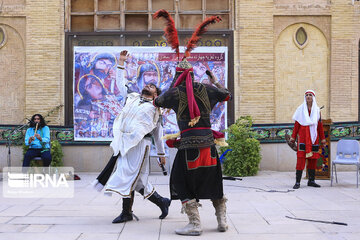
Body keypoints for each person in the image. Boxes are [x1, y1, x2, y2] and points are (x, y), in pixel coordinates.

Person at [92, 50, 171, 224]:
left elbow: (158, 135)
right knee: (137, 181)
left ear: (156, 95)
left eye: (152, 86)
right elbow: (120, 83)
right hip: (124, 142)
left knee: (127, 176)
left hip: (140, 146)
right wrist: (121, 63)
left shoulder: (155, 110)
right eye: (147, 84)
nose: (148, 86)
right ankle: (160, 202)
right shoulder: (132, 97)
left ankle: (127, 212)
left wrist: (161, 155)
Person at [290, 90, 326, 189]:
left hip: (314, 138)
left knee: (313, 160)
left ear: (313, 97)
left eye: (310, 95)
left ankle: (311, 181)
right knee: (301, 160)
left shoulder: (317, 111)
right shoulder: (300, 109)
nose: (308, 97)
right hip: (303, 138)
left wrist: (323, 139)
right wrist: (293, 137)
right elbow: (296, 125)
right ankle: (297, 182)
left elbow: (320, 126)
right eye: (306, 95)